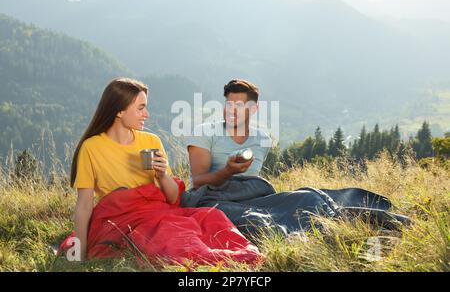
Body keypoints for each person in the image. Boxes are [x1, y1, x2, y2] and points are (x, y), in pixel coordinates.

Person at [66, 78, 262, 265]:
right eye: (141, 108)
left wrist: (162, 175)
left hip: (159, 210)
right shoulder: (92, 148)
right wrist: (80, 251)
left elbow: (173, 197)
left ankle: (235, 254)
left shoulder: (151, 141)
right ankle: (219, 259)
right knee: (172, 235)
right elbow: (84, 205)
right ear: (119, 112)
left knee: (211, 216)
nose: (147, 114)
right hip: (123, 217)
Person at [182, 79, 410, 237]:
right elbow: (199, 181)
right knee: (256, 219)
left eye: (238, 106)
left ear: (253, 109)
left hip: (255, 195)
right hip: (214, 200)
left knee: (308, 198)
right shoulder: (204, 132)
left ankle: (378, 220)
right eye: (228, 104)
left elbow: (255, 180)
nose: (231, 110)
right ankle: (304, 236)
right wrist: (227, 172)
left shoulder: (261, 138)